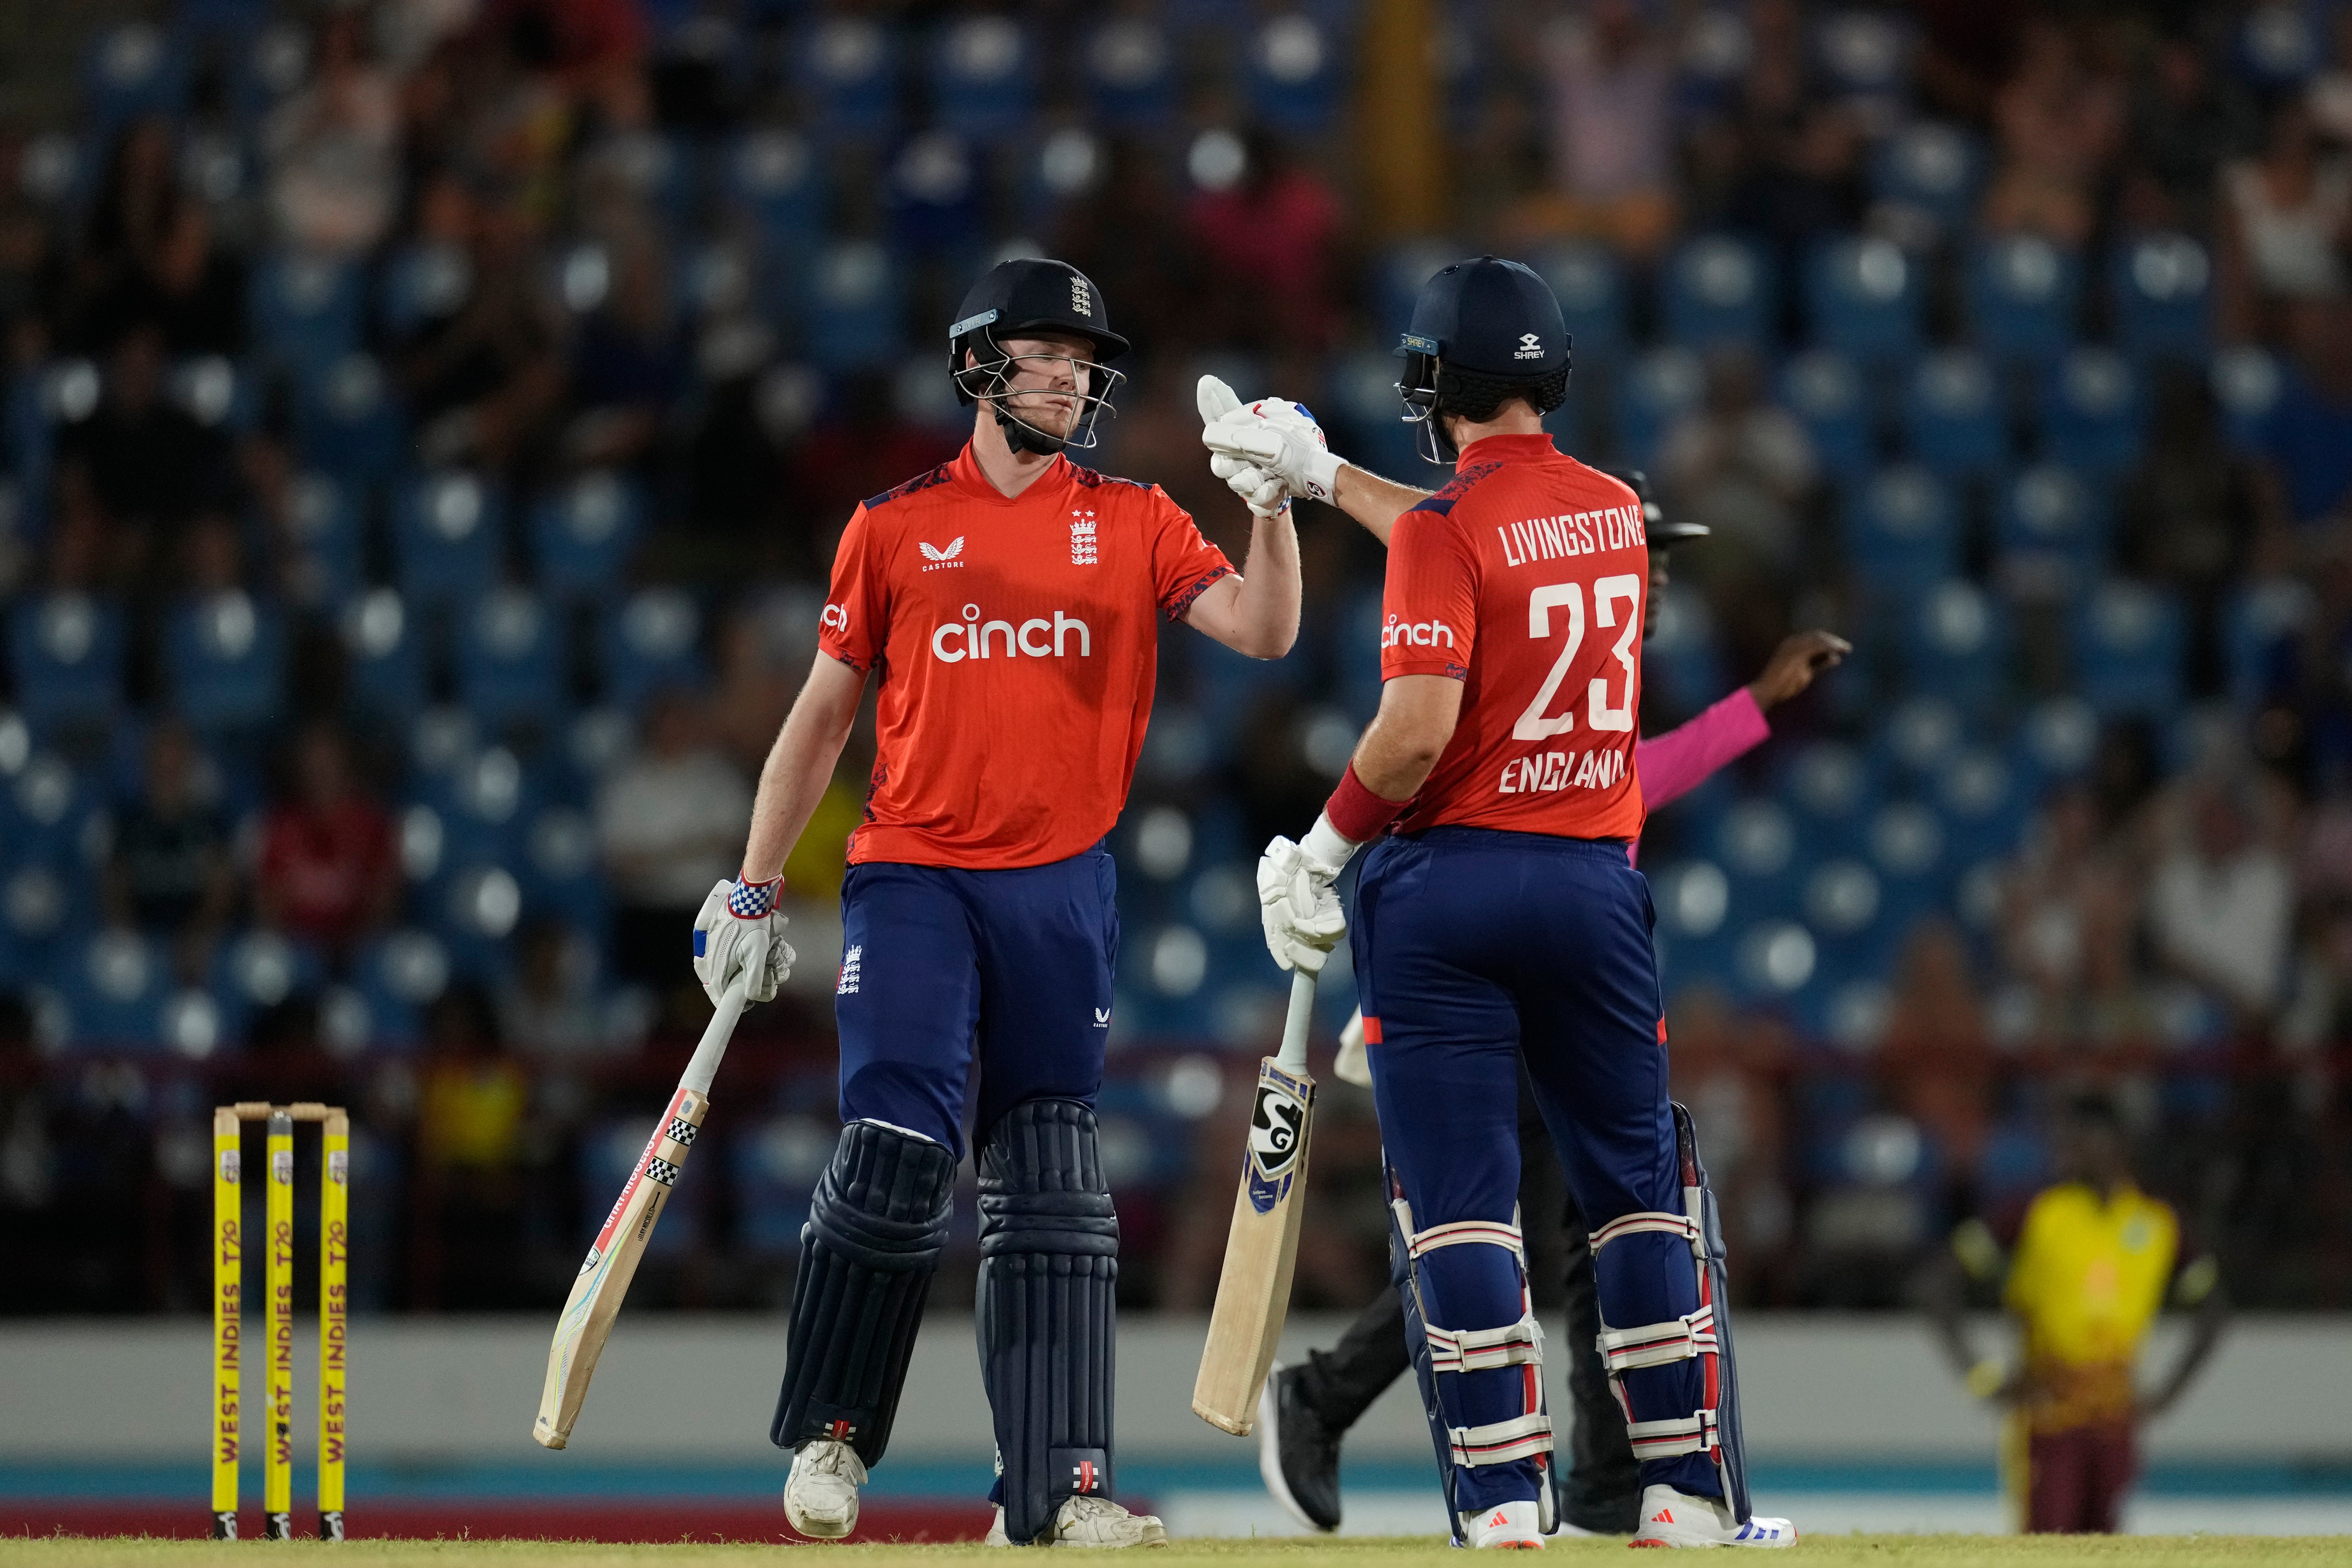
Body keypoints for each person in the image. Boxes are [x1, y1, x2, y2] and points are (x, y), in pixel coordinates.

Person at [693, 257, 1300, 1546]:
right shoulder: (893, 524)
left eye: (1084, 362)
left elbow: (1262, 633)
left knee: (1054, 1182)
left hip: (1061, 886)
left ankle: (1058, 1495)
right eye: (1046, 355)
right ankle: (832, 1437)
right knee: (897, 1151)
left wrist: (1270, 505)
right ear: (979, 366)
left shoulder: (1134, 516)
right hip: (914, 872)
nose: (1072, 378)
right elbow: (819, 718)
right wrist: (751, 889)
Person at [1215, 255, 1794, 1547]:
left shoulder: (1437, 532)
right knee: (1634, 1198)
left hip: (1443, 892)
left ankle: (1501, 1509)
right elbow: (1477, 531)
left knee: (1463, 1207)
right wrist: (1319, 479)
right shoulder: (1608, 514)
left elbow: (1414, 728)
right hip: (1591, 883)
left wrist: (1318, 849)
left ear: (1432, 386)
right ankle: (1684, 1496)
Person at [1926, 1092, 2227, 1534]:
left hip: (2114, 1420)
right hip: (2048, 1420)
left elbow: (2213, 1310)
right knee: (2047, 1543)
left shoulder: (2157, 1223)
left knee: (2103, 1544)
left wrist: (2167, 1394)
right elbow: (1940, 1286)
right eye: (2066, 1139)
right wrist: (1982, 1376)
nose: (2069, 1149)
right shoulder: (2037, 1212)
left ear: (2117, 1145)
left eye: (2082, 1138)